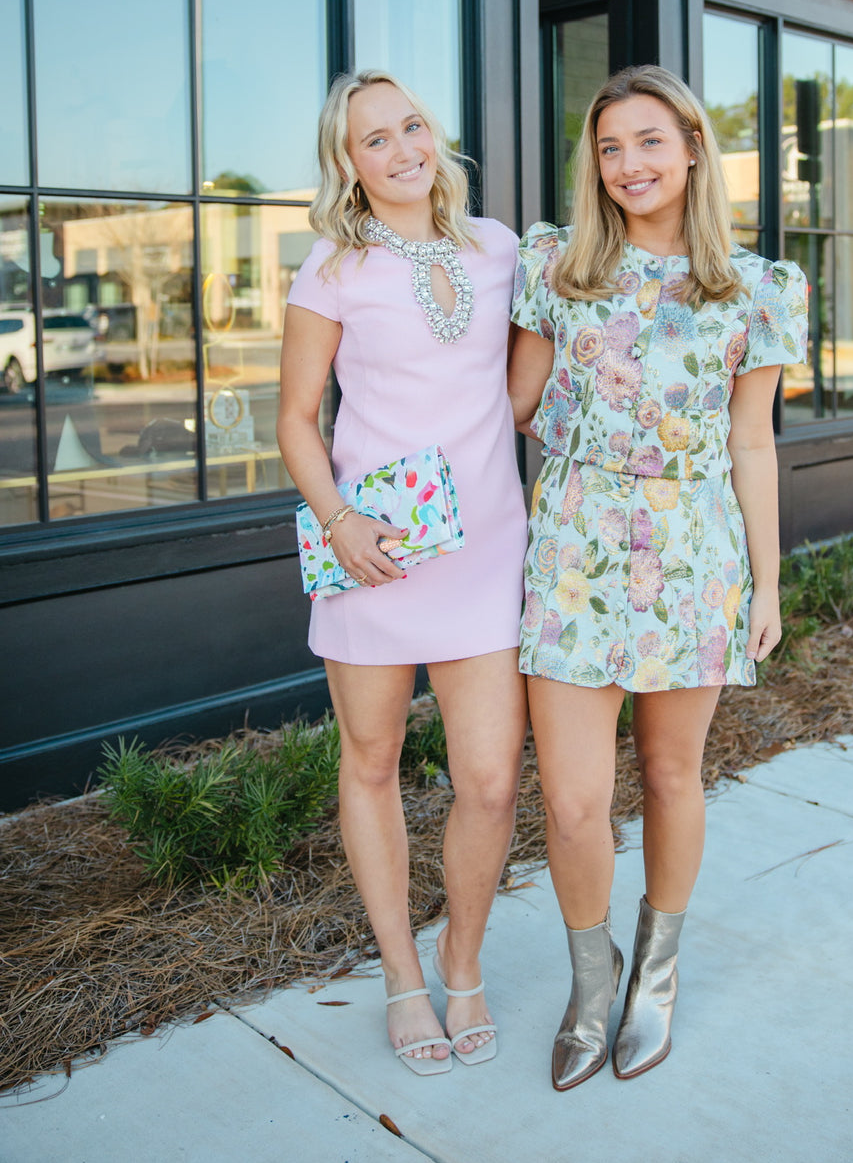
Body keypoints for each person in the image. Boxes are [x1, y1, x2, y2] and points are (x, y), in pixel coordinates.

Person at [507, 64, 808, 1090]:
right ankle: (593, 985)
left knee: (676, 775)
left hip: (693, 557)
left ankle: (659, 979)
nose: (628, 164)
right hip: (573, 554)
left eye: (647, 141)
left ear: (690, 148)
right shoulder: (555, 267)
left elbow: (753, 444)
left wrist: (765, 586)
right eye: (608, 147)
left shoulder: (757, 287)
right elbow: (504, 406)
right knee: (575, 800)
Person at [277, 69, 528, 1076]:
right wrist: (336, 519)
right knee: (372, 765)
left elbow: (515, 396)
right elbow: (297, 418)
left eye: (410, 125)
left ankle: (461, 962)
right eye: (372, 139)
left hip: (481, 551)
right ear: (348, 164)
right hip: (371, 556)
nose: (400, 149)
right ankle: (401, 977)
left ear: (436, 135)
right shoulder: (333, 267)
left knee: (491, 778)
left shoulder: (501, 249)